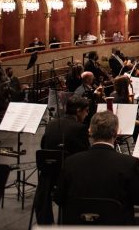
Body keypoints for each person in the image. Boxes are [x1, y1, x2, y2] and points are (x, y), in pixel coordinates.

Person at [56, 111, 139, 224]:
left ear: (90, 132)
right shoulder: (128, 163)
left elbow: (58, 198)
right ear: (116, 133)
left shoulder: (70, 162)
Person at [35, 95, 91, 224]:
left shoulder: (51, 124)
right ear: (78, 111)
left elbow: (44, 145)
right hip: (68, 177)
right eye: (86, 111)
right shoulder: (80, 128)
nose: (87, 114)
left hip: (48, 175)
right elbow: (85, 154)